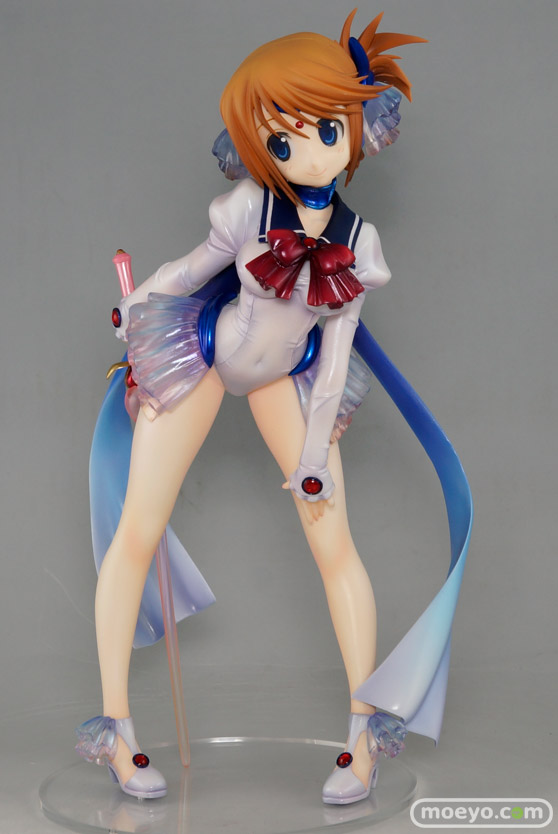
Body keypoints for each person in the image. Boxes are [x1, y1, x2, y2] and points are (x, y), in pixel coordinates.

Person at [77, 11, 469, 807]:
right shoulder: (245, 210)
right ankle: (115, 727)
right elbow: (188, 272)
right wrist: (136, 304)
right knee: (137, 531)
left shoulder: (359, 244)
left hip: (289, 381)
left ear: (361, 128)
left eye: (325, 128)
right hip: (204, 355)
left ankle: (364, 735)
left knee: (335, 544)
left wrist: (316, 455)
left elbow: (337, 355)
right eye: (280, 139)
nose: (306, 150)